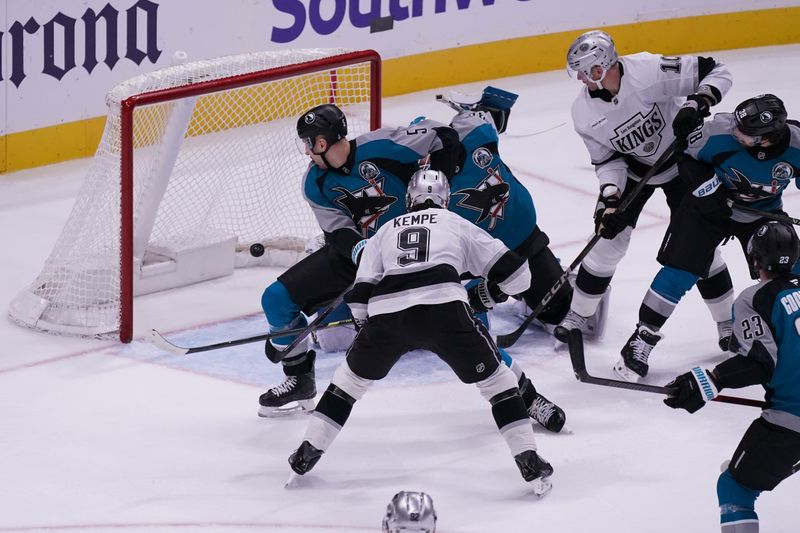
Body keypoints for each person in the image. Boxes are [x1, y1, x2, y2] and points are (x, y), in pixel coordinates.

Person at [286, 169, 554, 496]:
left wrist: (369, 330)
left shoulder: (384, 231)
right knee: (499, 384)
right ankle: (528, 458)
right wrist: (490, 294)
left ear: (409, 200)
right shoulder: (456, 223)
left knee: (347, 384)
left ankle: (307, 452)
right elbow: (518, 275)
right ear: (445, 198)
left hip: (387, 314)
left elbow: (359, 298)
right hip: (445, 310)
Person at [258, 103, 461, 416]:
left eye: (308, 143)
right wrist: (363, 255)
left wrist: (436, 198)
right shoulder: (315, 183)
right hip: (358, 254)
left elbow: (444, 135)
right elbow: (338, 232)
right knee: (275, 300)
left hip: (413, 248)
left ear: (322, 143)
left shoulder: (383, 144)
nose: (307, 152)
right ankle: (299, 377)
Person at [553, 30, 736, 373]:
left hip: (683, 162)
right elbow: (607, 162)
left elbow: (719, 71)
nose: (585, 81)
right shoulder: (583, 112)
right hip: (636, 173)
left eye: (590, 72)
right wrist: (611, 200)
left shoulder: (650, 71)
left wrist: (698, 102)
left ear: (607, 64)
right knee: (606, 243)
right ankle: (579, 315)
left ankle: (727, 325)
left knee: (701, 250)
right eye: (579, 74)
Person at [618, 94, 800, 381]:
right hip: (708, 209)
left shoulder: (797, 145)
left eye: (746, 134)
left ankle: (790, 338)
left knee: (790, 272)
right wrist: (707, 186)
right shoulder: (718, 132)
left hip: (762, 214)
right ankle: (641, 338)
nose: (736, 133)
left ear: (770, 137)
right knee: (680, 271)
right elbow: (683, 156)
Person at [440, 86, 609, 342]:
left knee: (569, 316)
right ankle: (514, 287)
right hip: (479, 258)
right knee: (467, 328)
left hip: (520, 236)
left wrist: (482, 109)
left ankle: (536, 285)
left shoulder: (478, 137)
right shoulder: (429, 187)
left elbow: (489, 121)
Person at [663, 220, 800, 533]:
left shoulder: (755, 299)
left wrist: (709, 379)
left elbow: (759, 363)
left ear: (754, 260)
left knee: (736, 488)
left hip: (790, 423)